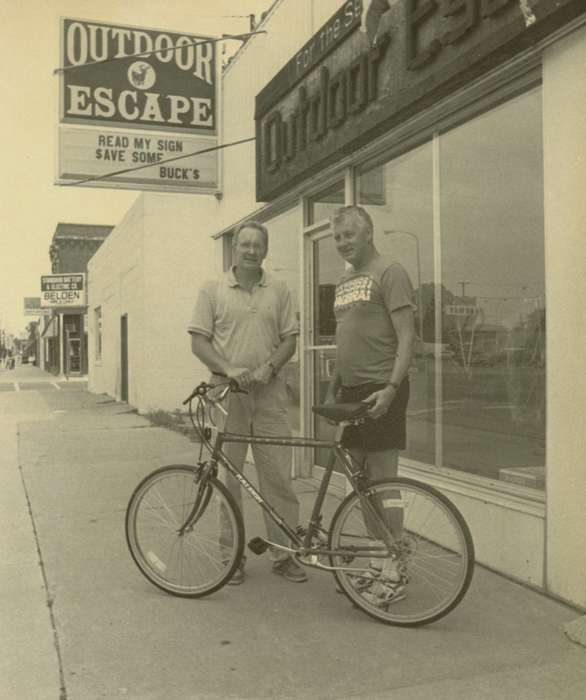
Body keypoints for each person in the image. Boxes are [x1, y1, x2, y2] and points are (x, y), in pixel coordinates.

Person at [188, 220, 307, 585]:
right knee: (231, 479)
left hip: (269, 396)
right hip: (229, 397)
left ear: (265, 250)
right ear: (234, 249)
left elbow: (290, 340)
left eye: (258, 245)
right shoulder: (213, 290)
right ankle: (232, 557)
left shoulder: (280, 290)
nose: (252, 250)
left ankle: (284, 555)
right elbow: (199, 343)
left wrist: (270, 367)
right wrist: (229, 369)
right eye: (245, 245)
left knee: (277, 479)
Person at [325, 205, 416, 603]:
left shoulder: (390, 272)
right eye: (337, 237)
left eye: (349, 235)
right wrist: (334, 389)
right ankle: (378, 559)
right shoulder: (346, 280)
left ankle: (396, 565)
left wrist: (392, 389)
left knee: (384, 483)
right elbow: (345, 338)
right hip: (350, 393)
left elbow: (408, 337)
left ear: (368, 233)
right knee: (358, 483)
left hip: (382, 389)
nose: (342, 243)